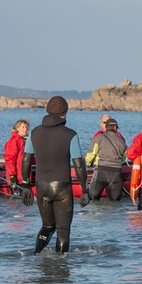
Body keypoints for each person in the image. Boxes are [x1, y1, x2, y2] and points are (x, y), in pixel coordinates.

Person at [20, 96, 90, 254]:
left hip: (41, 187)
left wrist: (25, 186)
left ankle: (36, 255)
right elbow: (79, 164)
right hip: (62, 187)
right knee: (63, 231)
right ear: (64, 113)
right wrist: (85, 190)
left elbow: (26, 161)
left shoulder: (35, 133)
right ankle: (61, 269)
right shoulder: (70, 134)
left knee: (47, 226)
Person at [85, 118, 127, 201]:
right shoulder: (121, 141)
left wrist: (88, 163)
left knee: (93, 200)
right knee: (115, 202)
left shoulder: (98, 138)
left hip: (101, 171)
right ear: (115, 127)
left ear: (106, 127)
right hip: (116, 173)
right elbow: (123, 159)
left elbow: (90, 155)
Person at [4, 119, 29, 193]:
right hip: (17, 178)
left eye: (26, 127)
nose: (25, 130)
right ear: (17, 128)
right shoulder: (14, 141)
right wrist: (12, 176)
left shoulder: (22, 141)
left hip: (23, 177)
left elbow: (27, 158)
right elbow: (9, 160)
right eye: (23, 127)